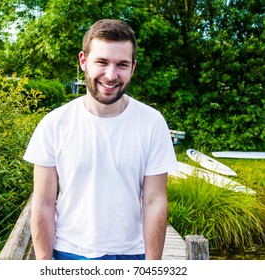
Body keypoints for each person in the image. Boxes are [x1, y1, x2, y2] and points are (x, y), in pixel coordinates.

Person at [23, 19, 177, 260]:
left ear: (133, 68)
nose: (111, 75)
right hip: (68, 254)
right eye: (102, 62)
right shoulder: (54, 124)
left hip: (132, 255)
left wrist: (153, 266)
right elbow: (43, 202)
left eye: (122, 65)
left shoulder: (152, 123)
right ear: (83, 61)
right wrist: (44, 263)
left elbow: (155, 201)